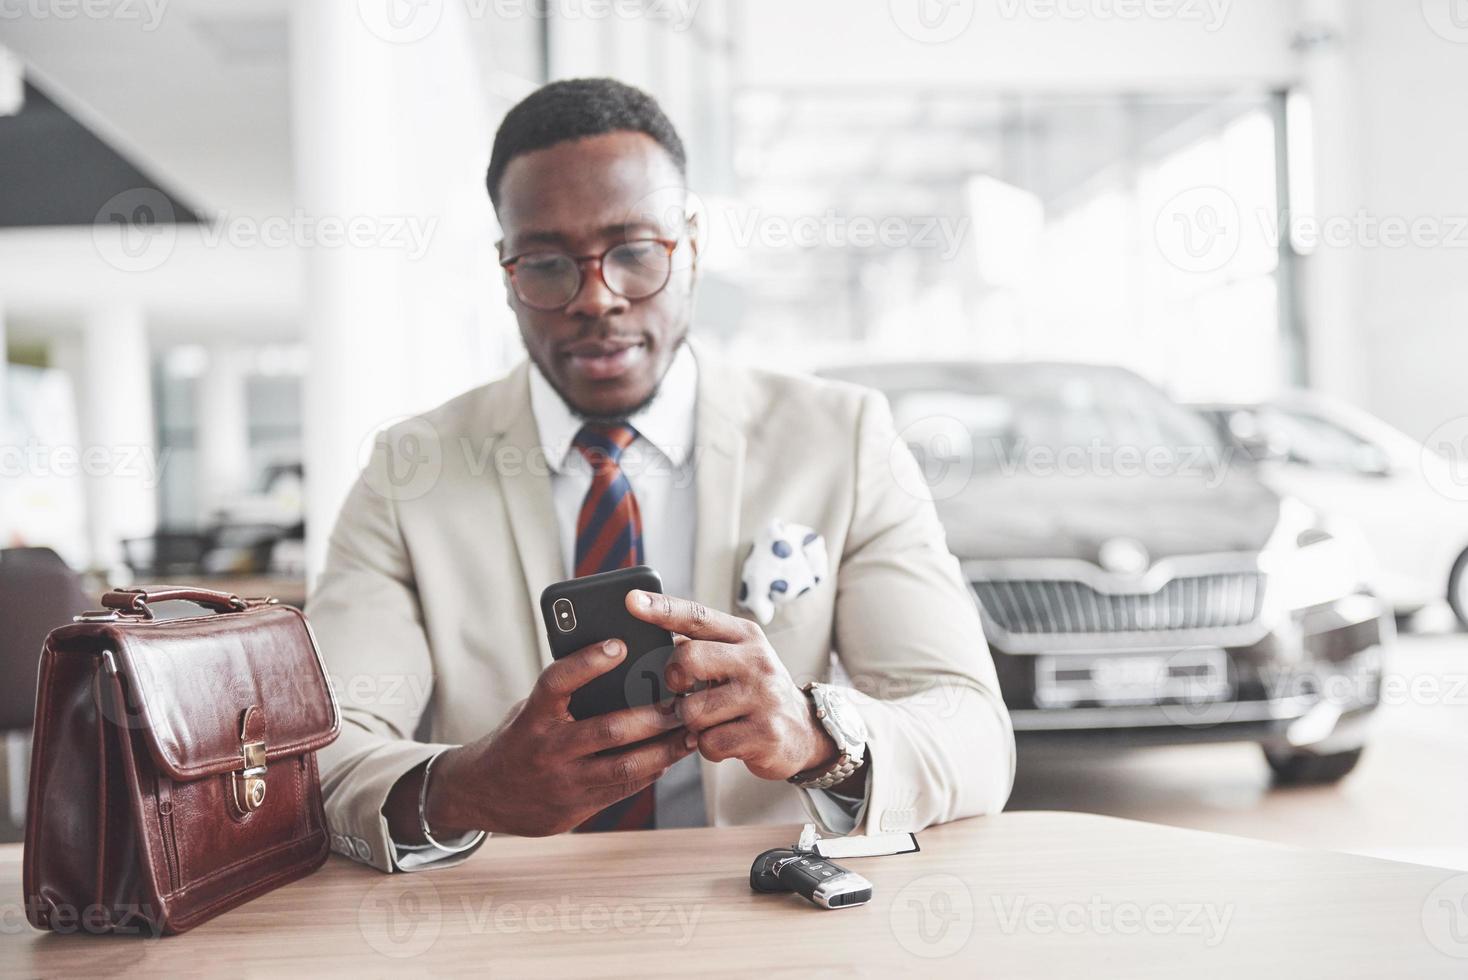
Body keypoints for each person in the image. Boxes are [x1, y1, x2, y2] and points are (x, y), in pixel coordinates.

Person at [307, 77, 1014, 872]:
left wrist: (816, 737)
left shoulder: (841, 440)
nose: (597, 299)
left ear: (693, 247)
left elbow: (973, 732)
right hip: (503, 917)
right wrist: (463, 789)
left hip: (762, 916)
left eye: (635, 252)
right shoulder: (410, 472)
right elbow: (321, 754)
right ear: (505, 274)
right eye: (546, 264)